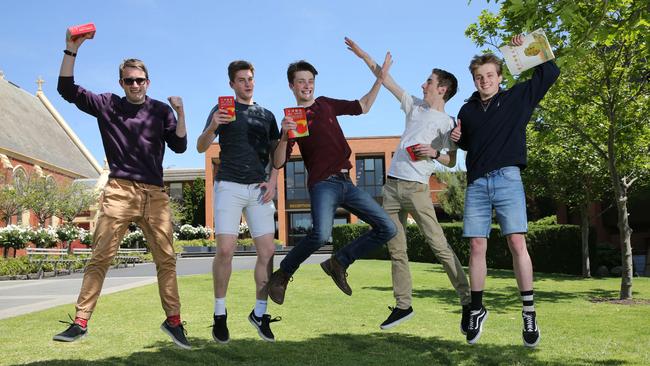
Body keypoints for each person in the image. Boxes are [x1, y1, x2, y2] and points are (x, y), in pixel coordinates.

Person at [52, 30, 191, 349]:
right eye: (129, 81)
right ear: (121, 83)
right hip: (119, 191)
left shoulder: (160, 111)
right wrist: (71, 50)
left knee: (167, 260)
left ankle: (174, 322)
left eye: (140, 80)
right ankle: (80, 322)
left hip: (155, 195)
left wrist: (181, 112)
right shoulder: (107, 104)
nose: (135, 85)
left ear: (148, 82)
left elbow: (181, 146)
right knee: (100, 257)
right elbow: (66, 89)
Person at [344, 38, 471, 332]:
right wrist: (365, 56)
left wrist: (434, 153)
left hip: (417, 189)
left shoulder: (448, 122)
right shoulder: (414, 106)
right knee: (396, 250)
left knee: (438, 245)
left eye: (429, 81)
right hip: (391, 187)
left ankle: (468, 302)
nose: (423, 84)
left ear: (443, 88)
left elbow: (451, 161)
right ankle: (403, 306)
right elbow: (385, 78)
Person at [451, 34, 560, 347]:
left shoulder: (518, 98)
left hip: (508, 178)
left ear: (500, 77)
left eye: (489, 75)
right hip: (476, 183)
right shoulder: (467, 111)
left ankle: (528, 311)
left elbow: (550, 72)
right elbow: (471, 143)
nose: (484, 80)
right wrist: (459, 137)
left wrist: (524, 47)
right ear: (474, 80)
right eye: (479, 77)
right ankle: (477, 308)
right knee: (475, 246)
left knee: (516, 241)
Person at [266, 55, 397, 305]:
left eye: (310, 81)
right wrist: (284, 136)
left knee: (387, 227)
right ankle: (282, 275)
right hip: (323, 183)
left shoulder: (326, 105)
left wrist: (380, 80)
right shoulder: (296, 118)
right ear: (291, 86)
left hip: (347, 182)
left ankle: (339, 261)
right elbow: (279, 162)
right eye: (301, 82)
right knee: (320, 234)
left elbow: (364, 106)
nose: (307, 86)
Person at [196, 60, 281, 343]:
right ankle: (219, 314)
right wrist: (212, 127)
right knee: (225, 250)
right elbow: (201, 146)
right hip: (229, 185)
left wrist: (273, 184)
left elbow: (276, 158)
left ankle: (260, 313)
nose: (247, 83)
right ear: (232, 84)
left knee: (267, 252)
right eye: (241, 79)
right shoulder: (221, 109)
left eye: (250, 79)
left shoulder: (267, 115)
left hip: (259, 189)